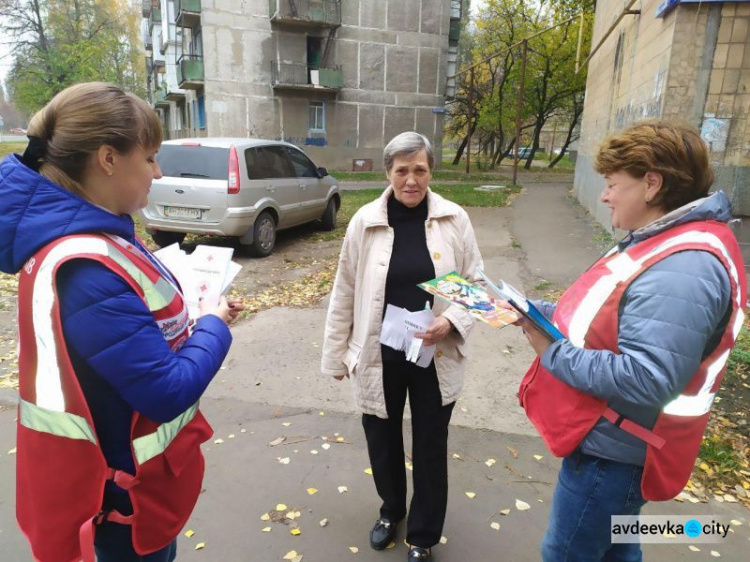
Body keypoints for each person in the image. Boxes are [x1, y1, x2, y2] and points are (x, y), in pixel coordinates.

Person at [0, 82, 244, 562]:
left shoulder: (87, 231)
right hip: (119, 509)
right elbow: (166, 390)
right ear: (108, 159)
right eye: (150, 157)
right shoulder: (87, 268)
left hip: (117, 489)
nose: (157, 171)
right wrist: (214, 325)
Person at [511, 120, 746, 561]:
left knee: (567, 553)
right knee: (617, 549)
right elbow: (610, 312)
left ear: (651, 184)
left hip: (613, 456)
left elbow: (647, 377)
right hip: (618, 444)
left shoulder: (685, 267)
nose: (604, 194)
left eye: (613, 183)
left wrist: (552, 352)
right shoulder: (666, 242)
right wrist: (536, 312)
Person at [321, 132, 483, 561]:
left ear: (431, 171)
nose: (411, 180)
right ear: (388, 172)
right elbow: (345, 291)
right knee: (382, 438)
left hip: (435, 354)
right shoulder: (366, 222)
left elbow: (476, 284)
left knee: (431, 444)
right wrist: (336, 354)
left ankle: (424, 535)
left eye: (420, 170)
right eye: (402, 171)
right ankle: (391, 510)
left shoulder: (454, 219)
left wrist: (450, 321)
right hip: (380, 353)